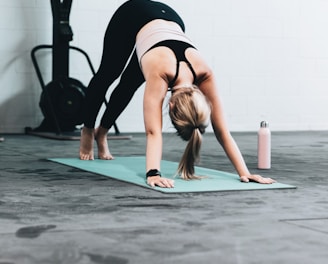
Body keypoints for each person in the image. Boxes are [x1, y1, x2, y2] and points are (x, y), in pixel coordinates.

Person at [79, 0, 276, 188]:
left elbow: (222, 131)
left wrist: (245, 172)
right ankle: (88, 130)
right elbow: (153, 132)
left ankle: (102, 133)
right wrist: (153, 173)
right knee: (108, 74)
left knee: (128, 85)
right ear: (171, 106)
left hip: (171, 19)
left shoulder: (205, 73)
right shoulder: (162, 73)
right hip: (133, 14)